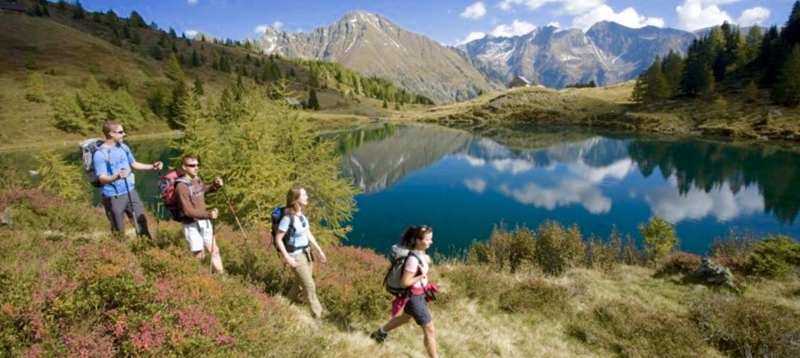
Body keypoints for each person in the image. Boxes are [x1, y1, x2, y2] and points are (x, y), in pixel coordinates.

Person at [371, 225, 439, 358]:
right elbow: (405, 283)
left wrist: (426, 261)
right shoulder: (412, 260)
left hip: (418, 294)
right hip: (414, 297)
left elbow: (421, 262)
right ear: (418, 240)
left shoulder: (420, 253)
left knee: (406, 318)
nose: (431, 242)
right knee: (430, 331)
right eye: (428, 239)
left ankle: (379, 333)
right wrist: (422, 275)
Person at [94, 121, 163, 239]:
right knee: (118, 229)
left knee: (141, 222)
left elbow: (134, 164)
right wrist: (116, 177)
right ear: (111, 133)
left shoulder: (123, 147)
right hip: (113, 196)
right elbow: (102, 178)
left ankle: (148, 250)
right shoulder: (100, 154)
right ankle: (121, 254)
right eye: (121, 132)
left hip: (130, 191)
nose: (124, 134)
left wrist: (152, 166)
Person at [274, 187, 327, 319]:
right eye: (303, 195)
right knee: (309, 285)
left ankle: (283, 306)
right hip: (295, 256)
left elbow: (308, 233)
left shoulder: (302, 215)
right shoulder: (287, 218)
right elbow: (278, 238)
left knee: (299, 283)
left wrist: (319, 250)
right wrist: (287, 257)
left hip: (307, 253)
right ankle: (318, 315)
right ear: (295, 199)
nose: (307, 197)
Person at [175, 155, 225, 274]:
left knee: (215, 250)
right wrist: (208, 214)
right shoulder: (181, 187)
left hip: (204, 221)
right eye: (192, 165)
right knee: (199, 256)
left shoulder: (197, 180)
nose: (196, 168)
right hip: (191, 224)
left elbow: (203, 191)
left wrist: (215, 186)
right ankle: (199, 278)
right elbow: (187, 211)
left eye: (197, 165)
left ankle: (222, 279)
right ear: (184, 167)